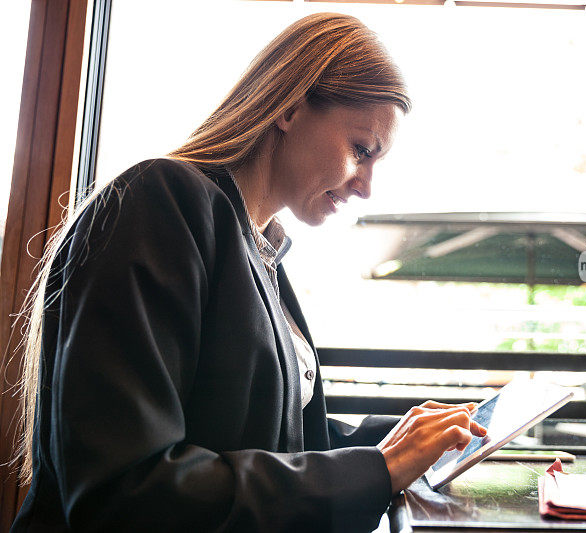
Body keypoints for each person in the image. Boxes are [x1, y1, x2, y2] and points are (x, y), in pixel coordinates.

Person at [11, 12, 486, 533]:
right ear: (289, 108)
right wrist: (378, 468)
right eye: (361, 150)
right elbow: (129, 493)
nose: (366, 187)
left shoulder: (255, 248)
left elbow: (270, 437)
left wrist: (409, 439)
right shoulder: (161, 203)